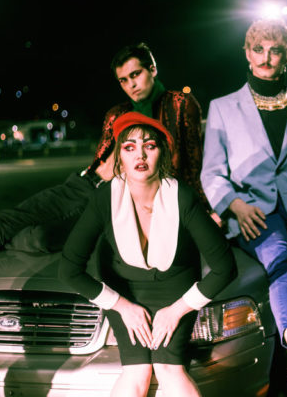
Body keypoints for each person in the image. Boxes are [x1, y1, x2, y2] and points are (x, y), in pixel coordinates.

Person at [0, 42, 207, 263]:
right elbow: (100, 158)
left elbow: (191, 164)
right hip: (83, 183)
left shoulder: (180, 104)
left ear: (152, 69)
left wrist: (200, 211)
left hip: (117, 201)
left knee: (42, 238)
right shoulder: (117, 114)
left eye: (136, 74)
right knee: (4, 221)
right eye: (123, 80)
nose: (131, 84)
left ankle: (8, 241)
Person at [200, 18, 287, 396]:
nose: (266, 57)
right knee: (279, 259)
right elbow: (212, 173)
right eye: (259, 49)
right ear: (247, 54)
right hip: (255, 217)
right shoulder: (223, 108)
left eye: (275, 50)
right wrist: (234, 204)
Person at [59, 112, 237, 397]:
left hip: (175, 290)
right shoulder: (104, 198)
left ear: (162, 153)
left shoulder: (182, 196)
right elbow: (69, 269)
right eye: (129, 147)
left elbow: (225, 267)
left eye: (149, 146)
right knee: (137, 371)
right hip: (125, 292)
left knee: (169, 369)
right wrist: (121, 306)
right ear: (119, 157)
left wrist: (178, 310)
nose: (140, 155)